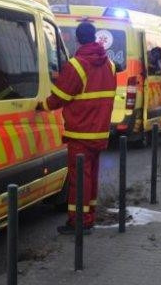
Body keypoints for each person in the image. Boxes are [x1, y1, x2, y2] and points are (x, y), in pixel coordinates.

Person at [38, 21, 116, 235]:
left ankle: (78, 222)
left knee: (79, 179)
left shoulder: (77, 65)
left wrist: (41, 106)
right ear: (94, 37)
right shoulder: (109, 64)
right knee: (91, 176)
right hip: (100, 132)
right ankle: (89, 216)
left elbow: (59, 97)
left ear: (78, 38)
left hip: (80, 132)